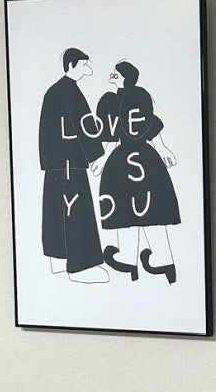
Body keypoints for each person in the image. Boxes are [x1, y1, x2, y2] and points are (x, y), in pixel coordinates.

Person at [92, 60, 180, 283]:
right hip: (147, 159)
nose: (111, 76)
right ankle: (164, 260)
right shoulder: (141, 97)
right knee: (152, 209)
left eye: (115, 74)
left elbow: (112, 135)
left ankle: (128, 258)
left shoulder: (111, 101)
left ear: (123, 78)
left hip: (121, 161)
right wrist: (162, 149)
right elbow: (151, 126)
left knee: (123, 207)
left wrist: (103, 159)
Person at [38, 48, 108, 283]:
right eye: (84, 65)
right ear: (72, 65)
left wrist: (48, 164)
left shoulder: (52, 92)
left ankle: (58, 260)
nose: (88, 69)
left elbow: (44, 132)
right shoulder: (70, 92)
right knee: (76, 210)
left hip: (56, 165)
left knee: (56, 209)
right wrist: (96, 156)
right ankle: (81, 267)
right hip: (71, 163)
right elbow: (85, 125)